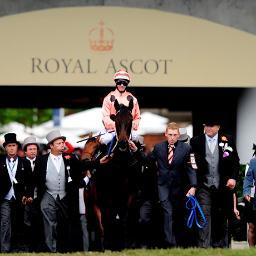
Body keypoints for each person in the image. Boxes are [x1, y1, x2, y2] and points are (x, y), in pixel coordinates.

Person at [129, 122, 197, 247]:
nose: (172, 137)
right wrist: (136, 151)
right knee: (168, 214)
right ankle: (170, 244)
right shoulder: (159, 147)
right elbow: (147, 161)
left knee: (178, 217)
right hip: (163, 188)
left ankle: (178, 244)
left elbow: (191, 168)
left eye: (175, 135)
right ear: (166, 134)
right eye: (170, 134)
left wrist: (193, 186)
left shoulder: (186, 148)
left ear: (178, 135)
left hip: (179, 189)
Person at [190, 118, 240, 248]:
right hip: (204, 186)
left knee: (221, 217)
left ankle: (221, 247)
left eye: (212, 126)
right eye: (207, 126)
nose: (209, 128)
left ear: (218, 127)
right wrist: (194, 184)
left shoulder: (227, 139)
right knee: (204, 215)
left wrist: (233, 178)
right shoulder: (196, 141)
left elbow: (235, 162)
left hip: (222, 186)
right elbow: (191, 164)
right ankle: (204, 248)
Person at [33, 130, 82, 252]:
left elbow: (82, 167)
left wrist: (97, 162)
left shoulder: (70, 158)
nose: (62, 145)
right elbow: (34, 179)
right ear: (51, 146)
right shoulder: (41, 160)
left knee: (65, 223)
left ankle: (64, 249)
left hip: (65, 195)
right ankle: (51, 249)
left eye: (62, 143)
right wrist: (30, 194)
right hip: (48, 194)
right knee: (49, 224)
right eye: (59, 143)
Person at [0, 133, 33, 252]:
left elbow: (30, 182)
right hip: (4, 197)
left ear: (17, 147)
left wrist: (28, 195)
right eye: (9, 146)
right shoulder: (0, 161)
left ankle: (20, 248)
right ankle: (4, 249)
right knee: (5, 222)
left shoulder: (25, 162)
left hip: (20, 197)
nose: (11, 148)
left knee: (20, 223)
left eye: (14, 145)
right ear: (6, 147)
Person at [100, 69, 141, 151]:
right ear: (116, 82)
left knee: (139, 139)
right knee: (104, 140)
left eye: (124, 83)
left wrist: (130, 126)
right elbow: (105, 117)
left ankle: (142, 162)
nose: (122, 85)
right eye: (119, 82)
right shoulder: (108, 98)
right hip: (111, 130)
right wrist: (116, 126)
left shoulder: (133, 99)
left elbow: (137, 117)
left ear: (127, 84)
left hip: (129, 130)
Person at [22, 136, 43, 251]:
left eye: (35, 149)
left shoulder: (42, 161)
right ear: (25, 151)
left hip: (39, 197)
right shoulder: (21, 162)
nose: (33, 151)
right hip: (25, 198)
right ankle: (26, 246)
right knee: (25, 222)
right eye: (30, 149)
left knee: (38, 222)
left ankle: (38, 246)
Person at [243, 155, 256, 247]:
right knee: (252, 227)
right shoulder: (253, 162)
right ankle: (251, 252)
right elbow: (248, 178)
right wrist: (246, 191)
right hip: (255, 200)